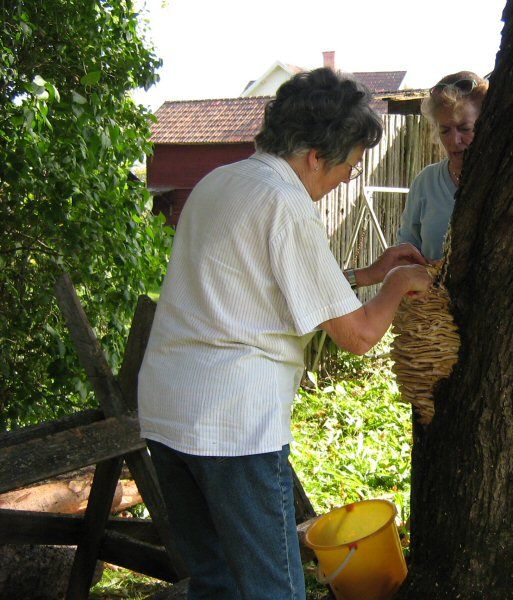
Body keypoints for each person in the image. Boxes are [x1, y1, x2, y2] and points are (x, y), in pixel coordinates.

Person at [137, 68, 431, 600]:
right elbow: (358, 335)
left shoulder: (221, 182)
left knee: (216, 582)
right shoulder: (285, 201)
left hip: (166, 411)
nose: (346, 178)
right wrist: (398, 286)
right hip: (232, 427)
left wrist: (366, 275)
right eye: (348, 165)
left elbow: (263, 284)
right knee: (273, 588)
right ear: (315, 155)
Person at [397, 71, 489, 261]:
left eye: (464, 129)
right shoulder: (426, 183)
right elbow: (405, 251)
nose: (454, 140)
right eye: (444, 130)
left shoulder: (505, 180)